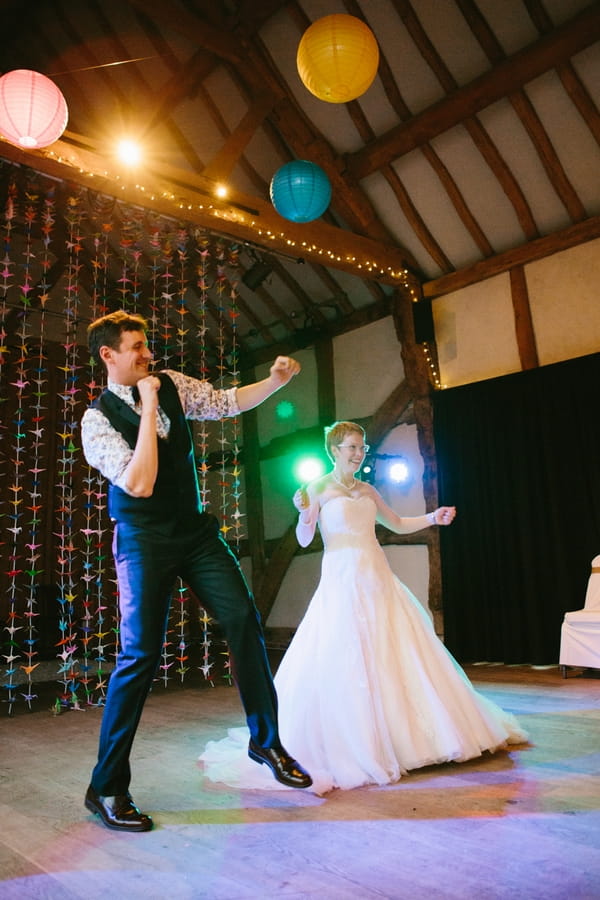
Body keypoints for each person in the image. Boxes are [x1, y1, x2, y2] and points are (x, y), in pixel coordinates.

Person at [200, 421, 527, 795]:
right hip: (341, 578)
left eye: (362, 447)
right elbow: (305, 538)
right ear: (335, 450)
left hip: (377, 577)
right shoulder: (317, 488)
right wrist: (305, 512)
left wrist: (433, 518)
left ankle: (414, 737)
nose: (359, 453)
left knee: (395, 652)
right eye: (352, 447)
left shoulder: (368, 489)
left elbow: (398, 523)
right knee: (348, 654)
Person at [81, 310, 312, 833]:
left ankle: (266, 743)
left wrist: (274, 383)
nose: (146, 355)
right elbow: (139, 483)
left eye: (146, 345)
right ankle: (108, 787)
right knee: (139, 657)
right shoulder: (95, 420)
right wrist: (147, 408)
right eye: (136, 347)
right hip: (143, 540)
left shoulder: (174, 384)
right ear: (109, 355)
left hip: (195, 533)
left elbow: (228, 402)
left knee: (242, 620)